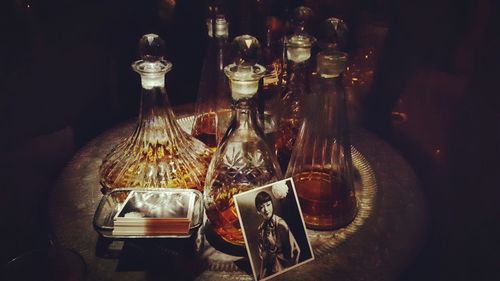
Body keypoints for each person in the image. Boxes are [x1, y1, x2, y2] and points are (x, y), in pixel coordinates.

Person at [255, 191, 300, 279]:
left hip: (283, 270)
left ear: (272, 204)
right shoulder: (260, 229)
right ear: (258, 211)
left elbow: (294, 252)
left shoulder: (281, 224)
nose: (266, 210)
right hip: (268, 271)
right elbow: (262, 256)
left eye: (268, 205)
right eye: (261, 207)